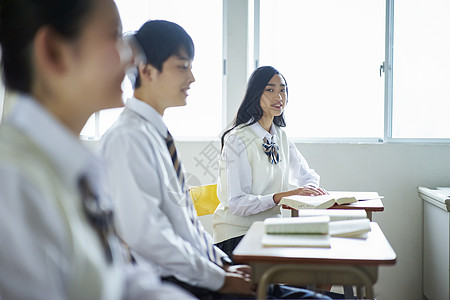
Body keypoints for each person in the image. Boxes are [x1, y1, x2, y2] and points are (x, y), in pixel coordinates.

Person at [100, 20, 329, 300]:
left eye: (283, 89)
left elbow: (187, 228)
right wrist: (219, 277)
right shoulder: (129, 139)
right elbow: (150, 238)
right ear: (147, 71)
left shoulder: (155, 135)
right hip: (179, 279)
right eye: (183, 66)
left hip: (208, 265)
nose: (192, 78)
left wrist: (222, 267)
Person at [0, 1, 193, 299]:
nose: (132, 57)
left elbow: (117, 277)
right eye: (115, 37)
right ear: (54, 52)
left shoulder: (76, 167)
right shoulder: (12, 183)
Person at [213, 66, 327, 257]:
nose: (279, 97)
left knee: (324, 259)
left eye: (283, 90)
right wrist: (282, 196)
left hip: (271, 230)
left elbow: (307, 175)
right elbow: (238, 204)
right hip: (237, 236)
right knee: (315, 264)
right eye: (270, 89)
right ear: (256, 94)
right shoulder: (237, 139)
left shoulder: (280, 136)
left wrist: (308, 190)